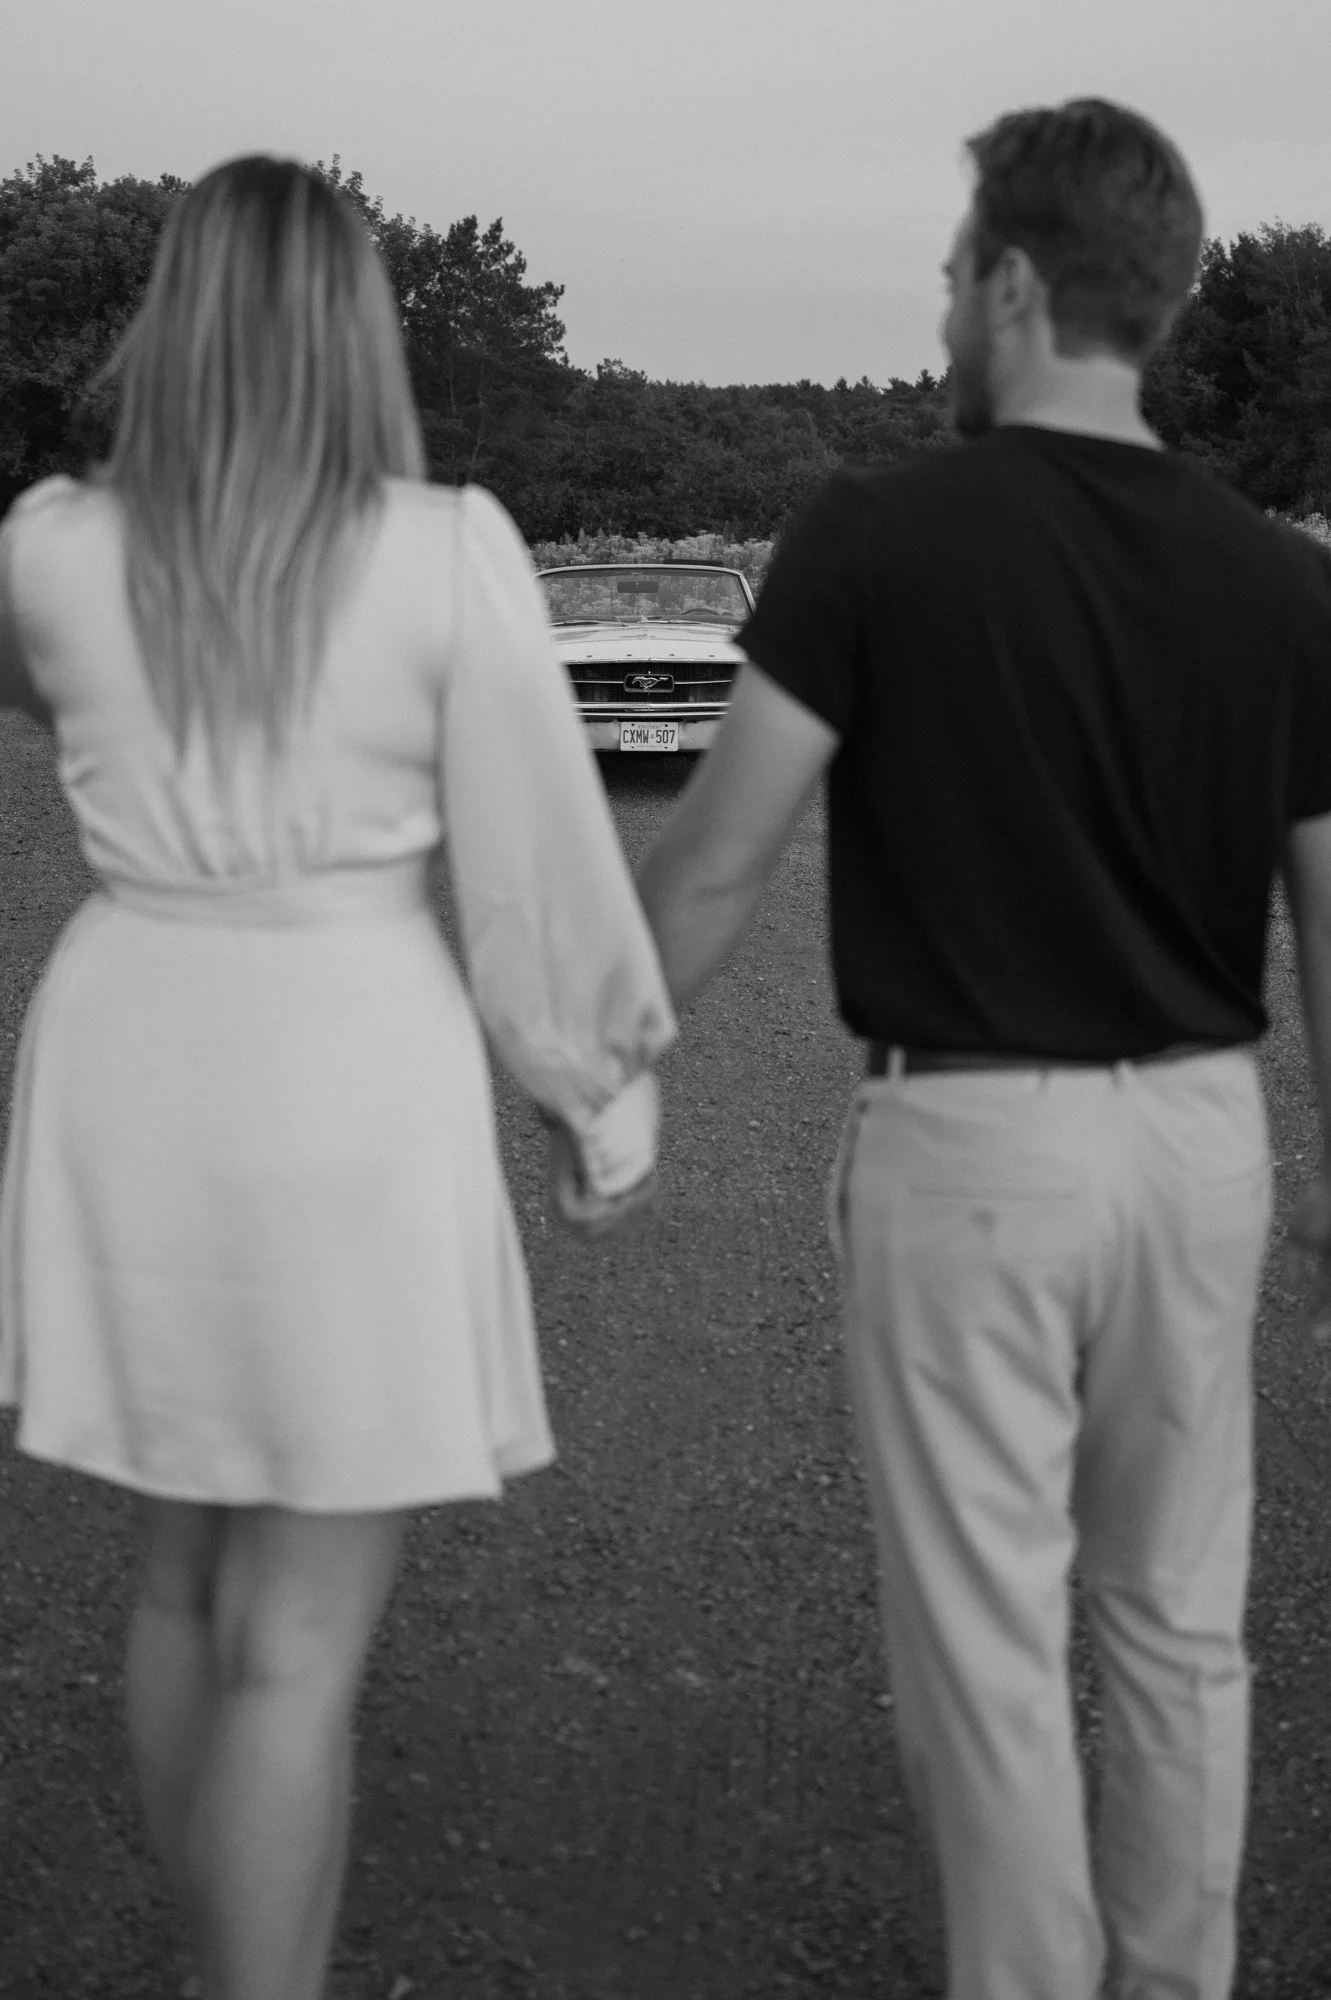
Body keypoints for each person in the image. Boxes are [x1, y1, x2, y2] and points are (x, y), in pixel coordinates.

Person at [637, 98, 1331, 2000]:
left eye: (956, 269)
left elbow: (714, 867)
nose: (943, 302)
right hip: (1196, 1145)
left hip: (967, 1151)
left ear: (1015, 284)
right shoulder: (1283, 582)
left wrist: (582, 1062)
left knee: (988, 1644)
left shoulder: (875, 538)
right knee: (1180, 1626)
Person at [0, 157, 672, 2000]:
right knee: (295, 1647)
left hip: (128, 1053)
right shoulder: (443, 549)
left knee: (176, 1586)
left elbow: (43, 694)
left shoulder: (51, 544)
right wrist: (593, 1094)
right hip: (346, 1057)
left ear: (172, 322)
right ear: (353, 329)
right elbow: (533, 868)